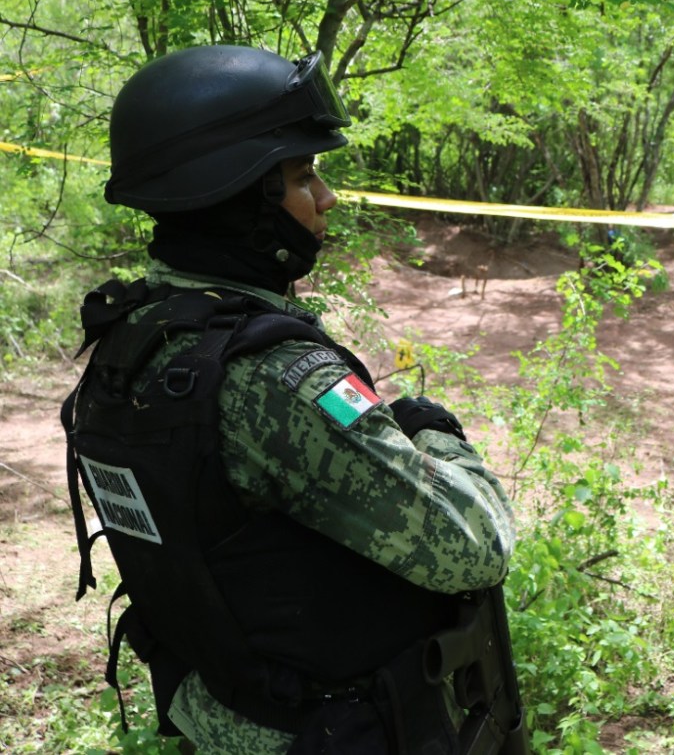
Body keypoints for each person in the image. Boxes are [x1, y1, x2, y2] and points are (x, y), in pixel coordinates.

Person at [62, 45, 526, 754]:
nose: (326, 198)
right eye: (304, 175)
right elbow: (472, 547)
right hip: (322, 731)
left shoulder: (131, 336)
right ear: (242, 194)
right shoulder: (277, 377)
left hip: (214, 711)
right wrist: (434, 435)